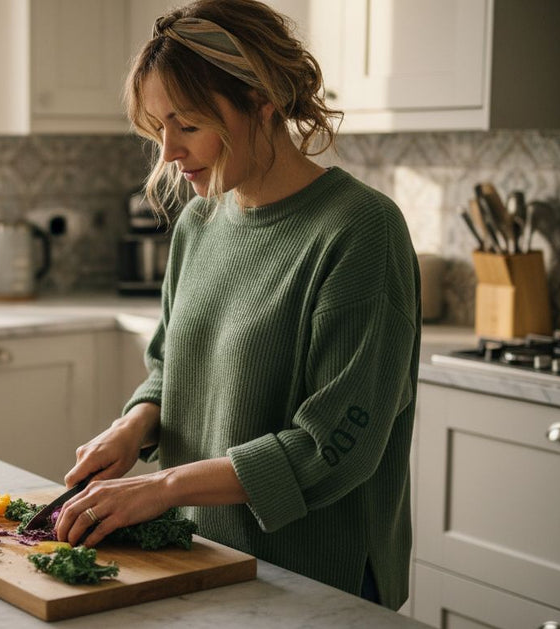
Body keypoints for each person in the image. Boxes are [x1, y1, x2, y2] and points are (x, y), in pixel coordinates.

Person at [53, 0, 420, 611]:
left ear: (261, 103)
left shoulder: (360, 231)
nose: (168, 151)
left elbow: (332, 449)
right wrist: (133, 426)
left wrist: (165, 487)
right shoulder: (200, 221)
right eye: (157, 129)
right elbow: (170, 368)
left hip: (317, 578)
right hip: (198, 556)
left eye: (188, 125)